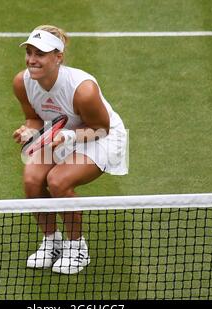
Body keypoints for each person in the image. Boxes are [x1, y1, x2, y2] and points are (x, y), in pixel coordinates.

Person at [13, 25, 128, 274]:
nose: (32, 60)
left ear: (58, 57)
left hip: (100, 137)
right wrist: (28, 131)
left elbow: (101, 129)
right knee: (32, 179)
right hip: (58, 135)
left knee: (57, 181)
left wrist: (66, 137)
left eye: (40, 54)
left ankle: (77, 248)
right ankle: (52, 242)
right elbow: (33, 119)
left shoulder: (83, 89)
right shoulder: (22, 83)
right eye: (29, 52)